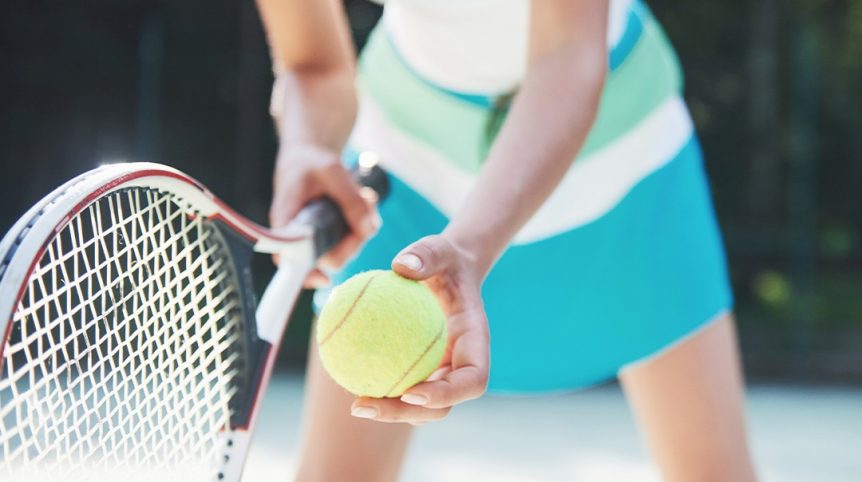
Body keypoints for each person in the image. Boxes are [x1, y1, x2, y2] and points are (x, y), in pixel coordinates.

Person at [256, 0, 759, 481]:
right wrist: (305, 147)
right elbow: (313, 63)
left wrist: (470, 246)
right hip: (405, 159)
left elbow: (567, 54)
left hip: (623, 163)